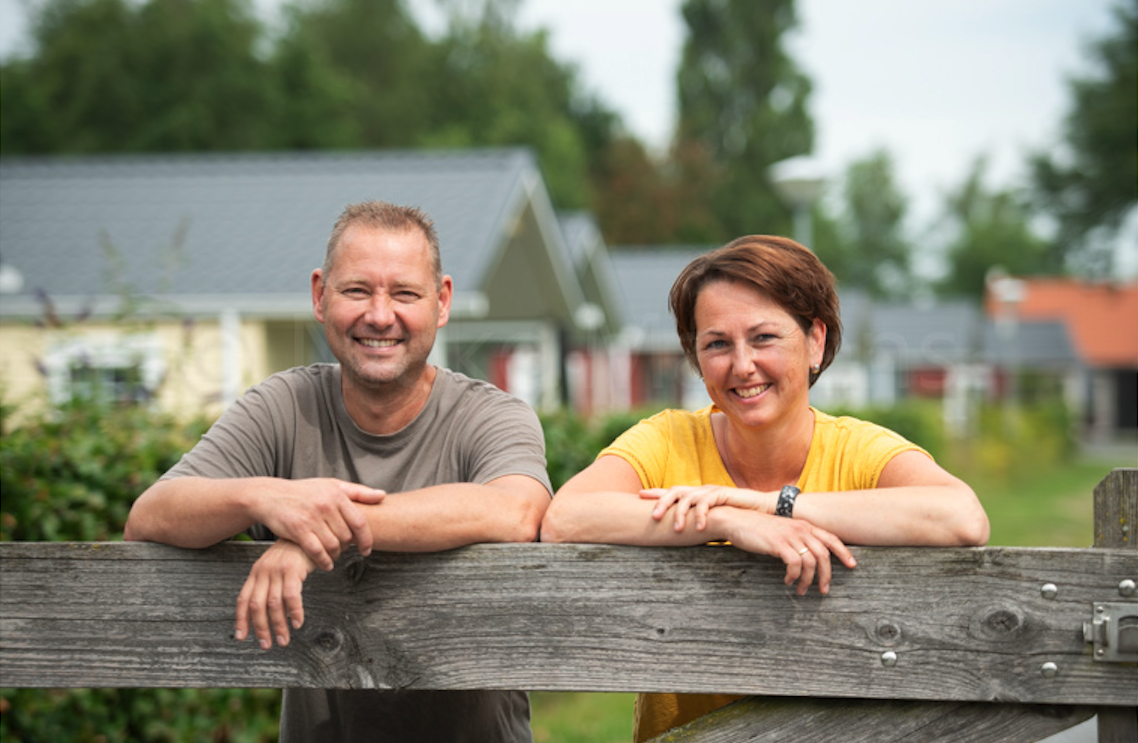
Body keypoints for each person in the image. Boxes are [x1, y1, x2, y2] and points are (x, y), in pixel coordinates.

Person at [125, 200, 552, 743]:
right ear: (319, 295)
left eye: (404, 293)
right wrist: (263, 497)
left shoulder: (492, 415)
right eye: (357, 290)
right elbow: (149, 517)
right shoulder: (282, 405)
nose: (379, 314)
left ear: (441, 301)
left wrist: (317, 531)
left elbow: (514, 510)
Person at [540, 234, 989, 742]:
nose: (742, 365)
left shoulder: (859, 449)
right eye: (716, 344)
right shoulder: (666, 440)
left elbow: (962, 516)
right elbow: (565, 518)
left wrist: (776, 505)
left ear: (815, 342)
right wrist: (727, 519)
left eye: (764, 338)